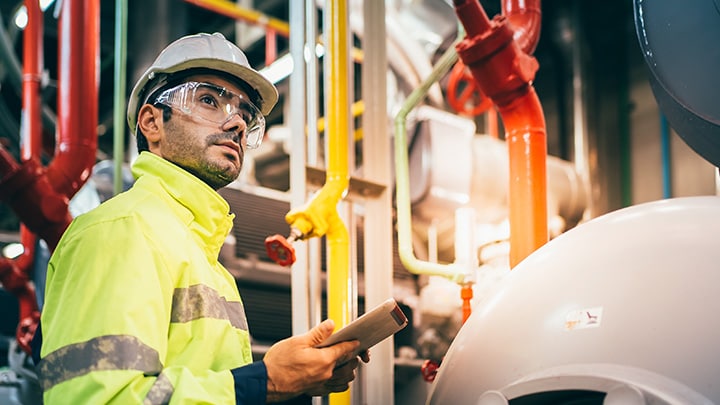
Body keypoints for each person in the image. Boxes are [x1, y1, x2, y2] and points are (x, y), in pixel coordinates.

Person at [36, 32, 367, 404]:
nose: (237, 124)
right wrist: (267, 381)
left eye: (245, 113)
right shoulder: (122, 230)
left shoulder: (203, 257)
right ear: (152, 122)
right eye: (209, 100)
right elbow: (99, 399)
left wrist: (291, 382)